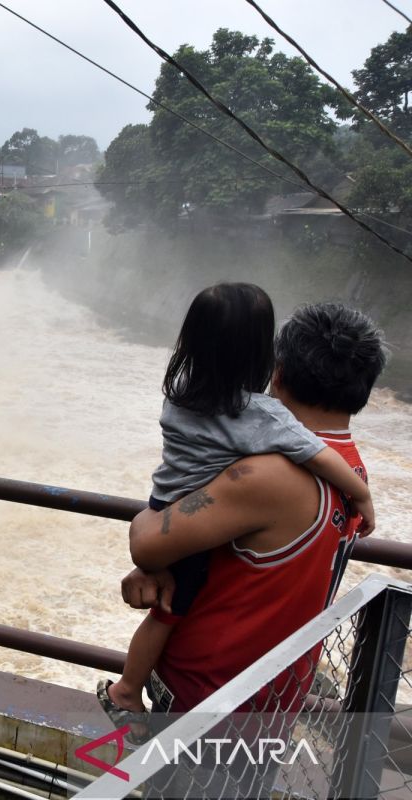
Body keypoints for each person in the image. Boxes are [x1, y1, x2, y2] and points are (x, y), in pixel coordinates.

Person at [97, 287, 376, 744]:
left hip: (209, 699)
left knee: (167, 780)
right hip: (275, 693)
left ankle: (123, 696)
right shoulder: (352, 468)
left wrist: (155, 556)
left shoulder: (267, 475)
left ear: (278, 372)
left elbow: (147, 541)